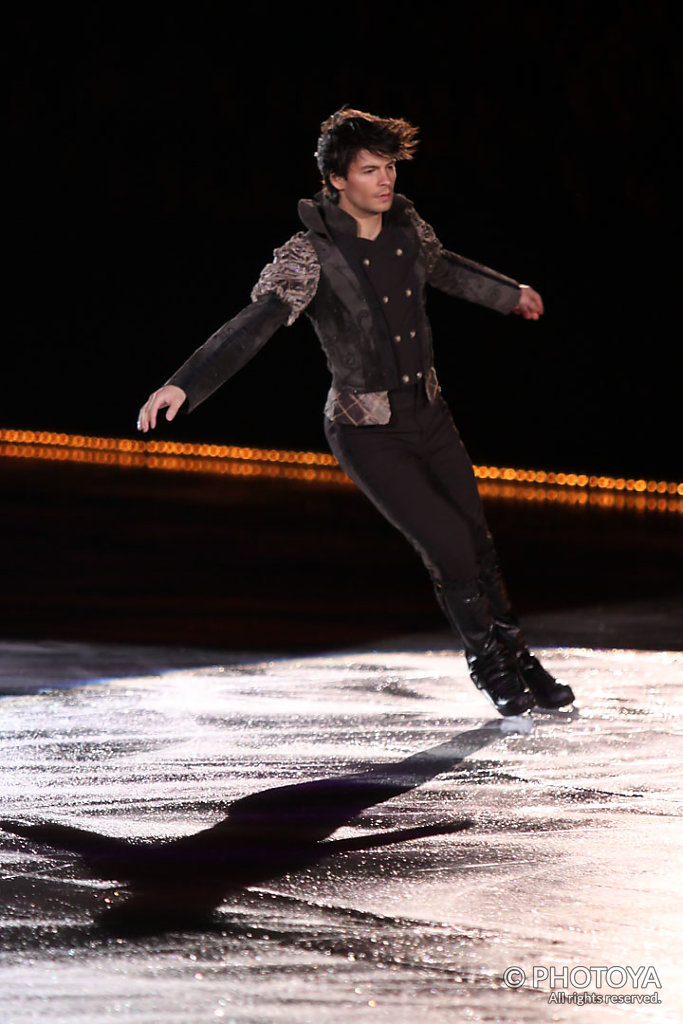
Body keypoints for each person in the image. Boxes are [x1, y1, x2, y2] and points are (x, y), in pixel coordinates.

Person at [137, 107, 574, 716]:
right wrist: (185, 384)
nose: (385, 180)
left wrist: (510, 294)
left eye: (389, 167)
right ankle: (489, 663)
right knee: (448, 544)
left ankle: (520, 655)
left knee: (476, 540)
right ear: (337, 179)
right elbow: (256, 323)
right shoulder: (308, 253)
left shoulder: (407, 224)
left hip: (430, 412)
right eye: (370, 170)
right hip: (369, 432)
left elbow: (444, 267)